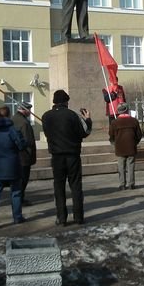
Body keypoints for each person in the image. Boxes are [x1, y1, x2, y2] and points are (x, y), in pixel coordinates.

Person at [42, 89, 92, 226]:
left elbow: (47, 134)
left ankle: (61, 218)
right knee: (75, 186)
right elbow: (84, 132)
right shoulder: (72, 115)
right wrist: (87, 119)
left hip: (56, 156)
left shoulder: (46, 116)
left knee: (59, 187)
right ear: (66, 101)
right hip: (72, 155)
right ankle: (78, 217)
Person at [109, 102, 142, 190]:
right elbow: (139, 135)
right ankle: (131, 184)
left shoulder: (114, 122)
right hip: (131, 147)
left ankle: (122, 184)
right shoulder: (134, 121)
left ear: (118, 111)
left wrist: (114, 144)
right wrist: (135, 142)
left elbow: (111, 136)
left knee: (121, 167)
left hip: (120, 148)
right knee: (131, 166)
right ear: (127, 110)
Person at [11, 102, 37, 206]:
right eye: (29, 110)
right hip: (24, 156)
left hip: (15, 154)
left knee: (18, 180)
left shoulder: (13, 119)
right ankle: (19, 199)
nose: (30, 112)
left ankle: (17, 198)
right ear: (24, 110)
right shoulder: (24, 123)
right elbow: (28, 141)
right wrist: (30, 155)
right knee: (23, 179)